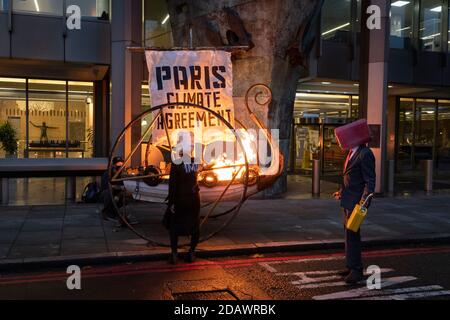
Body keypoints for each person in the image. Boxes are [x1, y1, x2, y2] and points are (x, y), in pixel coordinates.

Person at [333, 141, 375, 285]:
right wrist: (341, 192)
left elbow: (369, 182)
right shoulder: (352, 152)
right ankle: (351, 266)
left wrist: (363, 204)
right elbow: (351, 178)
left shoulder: (365, 153)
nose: (340, 142)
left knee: (353, 235)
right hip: (348, 201)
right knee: (349, 235)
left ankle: (356, 270)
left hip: (356, 204)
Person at [166, 134, 201, 265]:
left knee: (174, 226)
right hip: (194, 199)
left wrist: (171, 203)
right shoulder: (196, 161)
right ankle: (192, 252)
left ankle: (174, 254)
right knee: (194, 226)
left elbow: (173, 185)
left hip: (181, 198)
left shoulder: (176, 163)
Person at [101, 156, 135, 228]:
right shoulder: (108, 173)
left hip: (119, 193)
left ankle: (115, 211)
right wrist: (117, 189)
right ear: (113, 165)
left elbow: (126, 185)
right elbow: (107, 186)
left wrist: (119, 194)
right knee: (108, 194)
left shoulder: (122, 174)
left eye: (121, 165)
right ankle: (108, 212)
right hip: (109, 192)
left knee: (128, 196)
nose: (120, 167)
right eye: (118, 165)